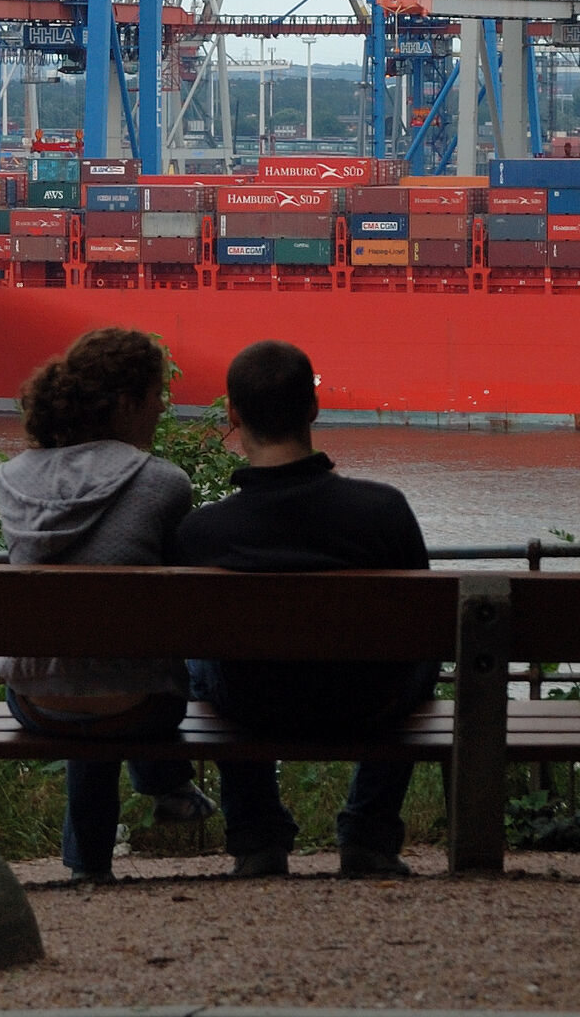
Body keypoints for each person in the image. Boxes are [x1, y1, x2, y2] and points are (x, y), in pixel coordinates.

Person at [174, 338, 437, 879]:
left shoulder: (205, 530)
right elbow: (426, 627)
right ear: (314, 408)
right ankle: (368, 833)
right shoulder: (383, 509)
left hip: (251, 705)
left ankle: (258, 838)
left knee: (206, 662)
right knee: (422, 646)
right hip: (369, 703)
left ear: (233, 412)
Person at [0, 326, 217, 883]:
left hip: (34, 698)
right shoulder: (164, 483)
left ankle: (88, 866)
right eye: (157, 394)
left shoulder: (13, 477)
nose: (164, 406)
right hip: (139, 707)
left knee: (81, 670)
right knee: (117, 676)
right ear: (126, 403)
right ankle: (163, 784)